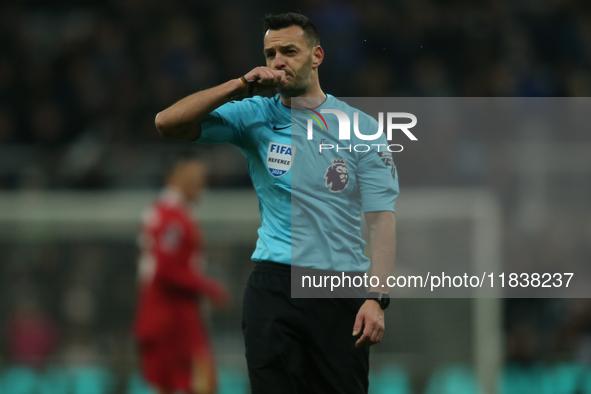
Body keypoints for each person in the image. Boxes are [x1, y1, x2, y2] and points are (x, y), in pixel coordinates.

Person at [154, 13, 398, 394]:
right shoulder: (255, 114)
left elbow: (382, 220)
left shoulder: (361, 128)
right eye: (270, 53)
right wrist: (238, 86)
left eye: (289, 51)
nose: (278, 61)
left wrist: (377, 298)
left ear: (316, 56)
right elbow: (167, 123)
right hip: (273, 283)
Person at [133, 155, 229, 394]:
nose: (202, 187)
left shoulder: (163, 212)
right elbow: (167, 269)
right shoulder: (172, 217)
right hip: (171, 316)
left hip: (164, 315)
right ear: (182, 180)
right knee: (200, 383)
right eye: (198, 180)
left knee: (171, 386)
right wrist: (209, 287)